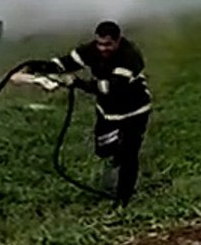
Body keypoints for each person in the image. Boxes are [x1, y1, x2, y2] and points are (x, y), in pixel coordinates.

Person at [24, 20, 152, 206]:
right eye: (100, 43)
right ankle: (117, 159)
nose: (103, 48)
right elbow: (65, 63)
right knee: (104, 150)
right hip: (107, 112)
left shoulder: (130, 56)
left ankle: (123, 199)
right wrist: (37, 66)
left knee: (129, 155)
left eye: (108, 44)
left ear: (118, 41)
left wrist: (78, 83)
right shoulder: (91, 50)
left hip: (135, 111)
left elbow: (111, 88)